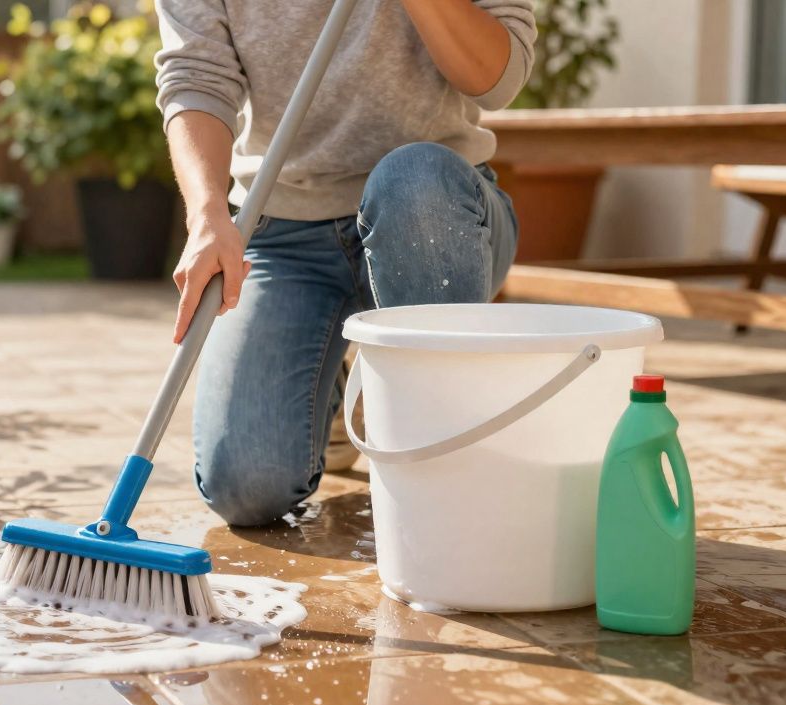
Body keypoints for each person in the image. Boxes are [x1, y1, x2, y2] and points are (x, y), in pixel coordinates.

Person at [155, 0, 535, 526]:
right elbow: (196, 78)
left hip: (433, 215)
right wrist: (207, 214)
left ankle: (434, 446)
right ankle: (332, 384)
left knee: (413, 178)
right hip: (284, 231)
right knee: (245, 488)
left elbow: (498, 81)